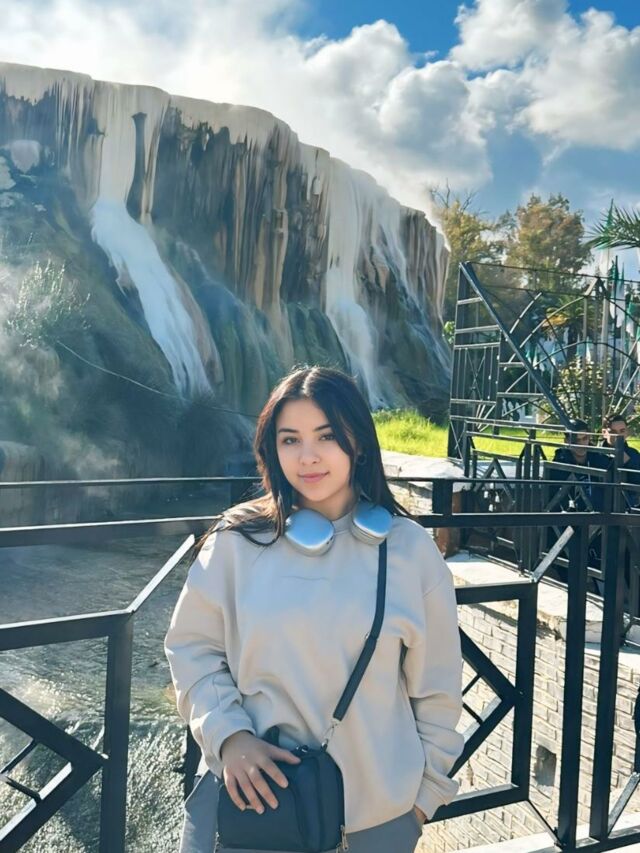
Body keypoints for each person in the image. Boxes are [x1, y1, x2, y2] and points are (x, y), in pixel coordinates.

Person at [165, 365, 464, 853]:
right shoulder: (236, 540)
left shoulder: (410, 552)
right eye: (290, 440)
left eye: (326, 436)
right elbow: (191, 650)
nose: (307, 457)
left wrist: (420, 805)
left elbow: (438, 692)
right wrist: (228, 737)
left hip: (374, 823)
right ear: (271, 448)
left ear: (358, 442)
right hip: (250, 811)